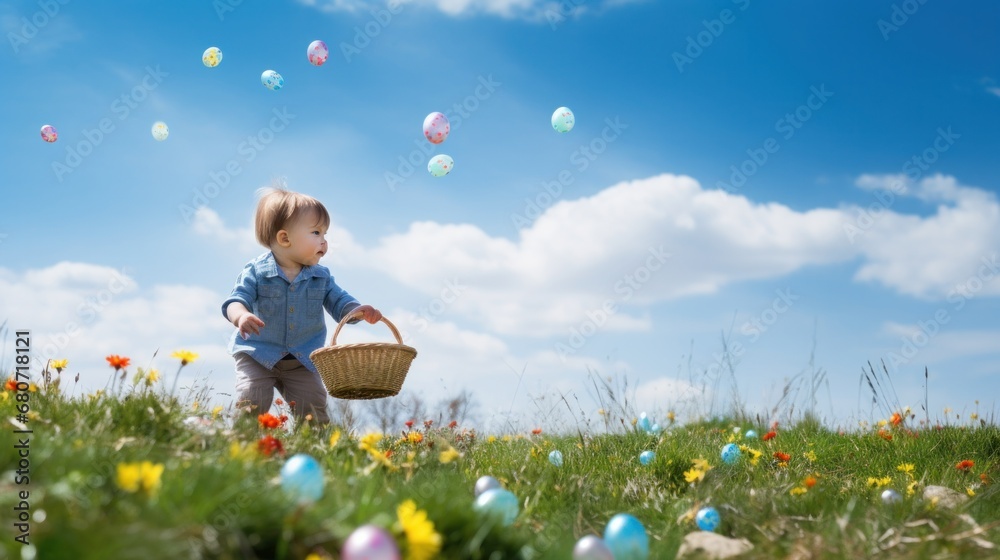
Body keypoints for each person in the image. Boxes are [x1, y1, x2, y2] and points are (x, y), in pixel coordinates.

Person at [222, 185, 382, 423]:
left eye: (325, 234)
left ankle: (315, 447)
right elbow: (236, 300)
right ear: (284, 238)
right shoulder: (256, 271)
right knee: (251, 398)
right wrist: (241, 316)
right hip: (257, 354)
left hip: (301, 362)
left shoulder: (322, 277)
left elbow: (340, 302)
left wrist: (355, 311)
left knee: (313, 407)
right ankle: (243, 444)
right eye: (316, 233)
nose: (324, 241)